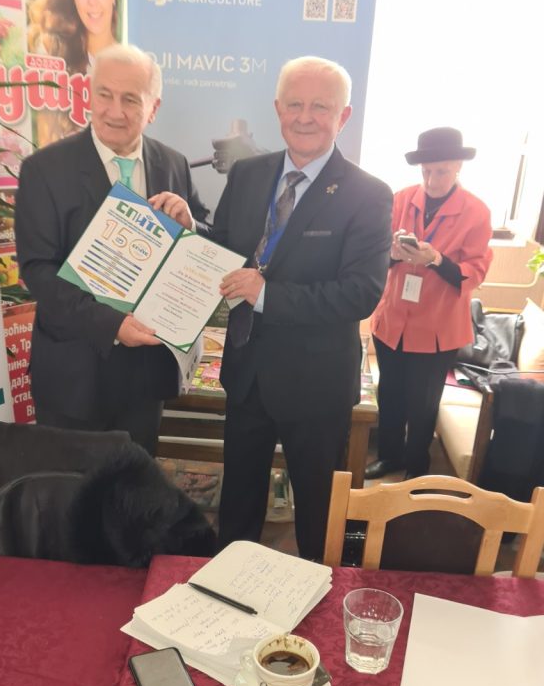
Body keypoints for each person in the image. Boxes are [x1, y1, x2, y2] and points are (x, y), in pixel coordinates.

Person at [211, 55, 393, 560]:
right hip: (247, 373)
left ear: (344, 115)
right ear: (277, 109)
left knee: (317, 518)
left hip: (316, 387)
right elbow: (223, 248)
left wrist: (265, 294)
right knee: (237, 507)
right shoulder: (247, 174)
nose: (305, 117)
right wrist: (187, 229)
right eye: (294, 104)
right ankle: (227, 592)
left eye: (320, 106)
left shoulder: (368, 194)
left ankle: (318, 600)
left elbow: (360, 293)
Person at [15, 43, 209, 455]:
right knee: (70, 488)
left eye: (130, 99)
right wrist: (112, 324)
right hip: (73, 375)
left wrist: (190, 226)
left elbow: (204, 243)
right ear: (89, 94)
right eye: (104, 94)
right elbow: (38, 271)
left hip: (145, 377)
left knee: (134, 486)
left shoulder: (173, 164)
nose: (114, 111)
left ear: (153, 108)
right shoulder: (43, 169)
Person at [366, 127, 493, 481]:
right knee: (389, 394)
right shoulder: (401, 199)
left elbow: (474, 273)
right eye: (426, 172)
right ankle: (390, 456)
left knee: (422, 404)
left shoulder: (476, 211)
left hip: (437, 328)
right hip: (393, 320)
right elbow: (374, 254)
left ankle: (417, 466)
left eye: (441, 172)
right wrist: (393, 254)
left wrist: (436, 259)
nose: (432, 180)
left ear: (458, 167)